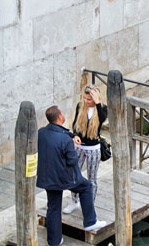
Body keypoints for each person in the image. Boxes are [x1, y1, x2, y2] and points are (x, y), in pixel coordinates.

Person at [37, 105, 106, 246]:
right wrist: (72, 146)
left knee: (53, 207)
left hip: (48, 177)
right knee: (86, 186)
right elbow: (72, 160)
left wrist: (72, 136)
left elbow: (58, 134)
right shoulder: (65, 140)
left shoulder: (41, 132)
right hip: (64, 177)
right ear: (59, 117)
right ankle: (90, 221)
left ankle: (54, 241)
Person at [63, 85, 108, 214]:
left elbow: (102, 119)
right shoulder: (80, 106)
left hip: (93, 147)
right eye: (85, 99)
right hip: (80, 146)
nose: (87, 102)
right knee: (74, 174)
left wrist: (98, 103)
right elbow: (75, 123)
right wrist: (75, 135)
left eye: (90, 99)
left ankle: (89, 206)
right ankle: (75, 202)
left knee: (92, 178)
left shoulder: (102, 109)